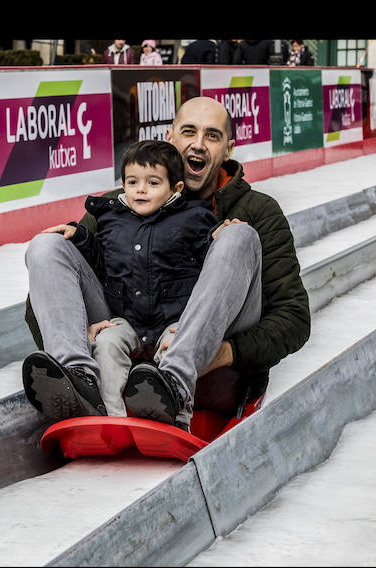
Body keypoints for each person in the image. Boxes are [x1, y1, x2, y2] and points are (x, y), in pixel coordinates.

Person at [23, 97, 311, 431]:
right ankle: (80, 381)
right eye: (189, 131)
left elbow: (293, 319)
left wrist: (219, 352)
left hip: (209, 373)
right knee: (47, 246)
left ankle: (173, 383)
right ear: (170, 138)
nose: (198, 144)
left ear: (228, 150)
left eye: (212, 135)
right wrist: (81, 335)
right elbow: (45, 304)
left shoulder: (256, 210)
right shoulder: (123, 203)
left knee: (238, 236)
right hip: (120, 345)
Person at [31, 140, 221, 420]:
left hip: (173, 319)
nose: (140, 189)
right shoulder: (112, 217)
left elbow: (211, 272)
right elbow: (102, 265)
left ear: (176, 188)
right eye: (132, 182)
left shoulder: (194, 217)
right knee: (107, 344)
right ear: (123, 184)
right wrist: (81, 238)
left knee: (176, 347)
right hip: (126, 319)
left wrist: (218, 237)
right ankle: (109, 415)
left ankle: (176, 415)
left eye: (153, 183)